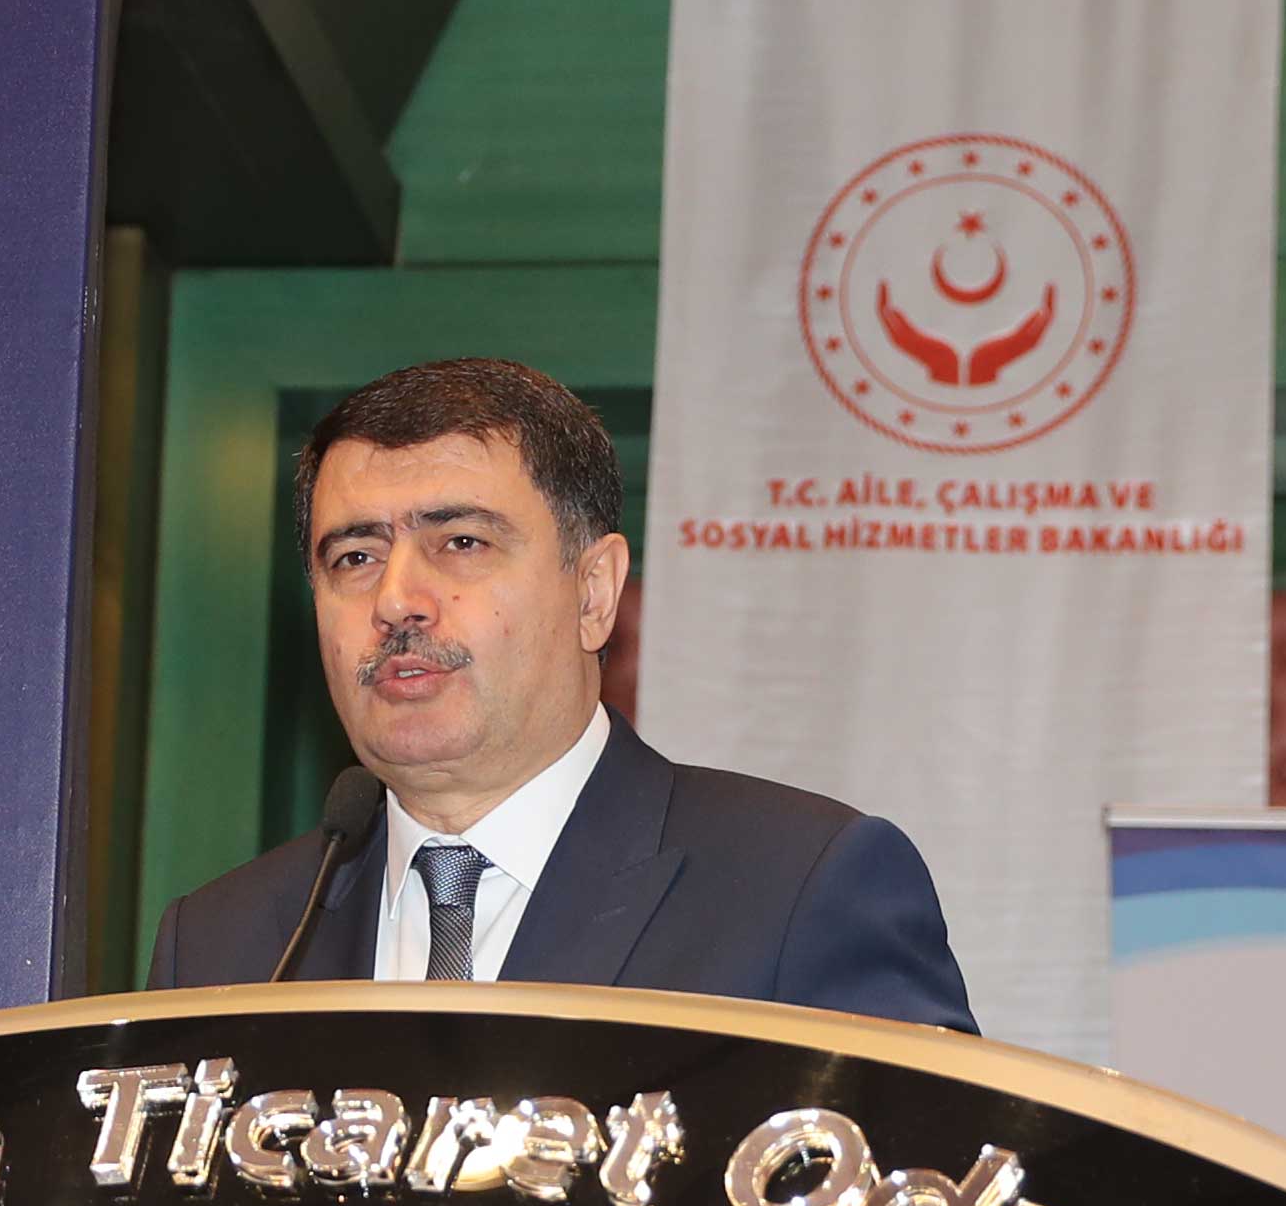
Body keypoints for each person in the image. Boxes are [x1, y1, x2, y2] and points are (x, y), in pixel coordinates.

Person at [144, 357, 975, 1025]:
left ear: (594, 592)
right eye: (354, 557)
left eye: (461, 542)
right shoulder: (225, 946)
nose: (396, 601)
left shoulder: (797, 888)